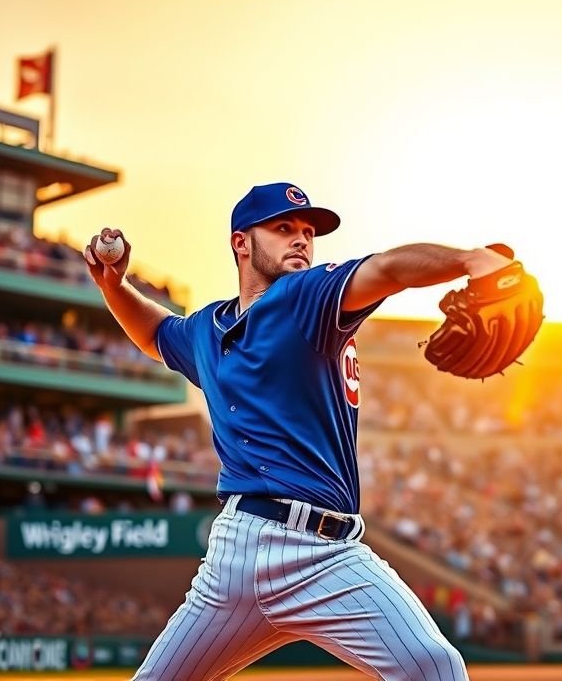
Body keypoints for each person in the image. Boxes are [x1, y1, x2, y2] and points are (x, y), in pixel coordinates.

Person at [85, 182, 514, 680]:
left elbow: (388, 269)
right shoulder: (206, 328)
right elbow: (156, 333)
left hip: (327, 555)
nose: (301, 240)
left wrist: (469, 261)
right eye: (283, 227)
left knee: (433, 668)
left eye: (308, 232)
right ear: (240, 243)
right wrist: (113, 287)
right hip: (238, 555)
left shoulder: (305, 296)